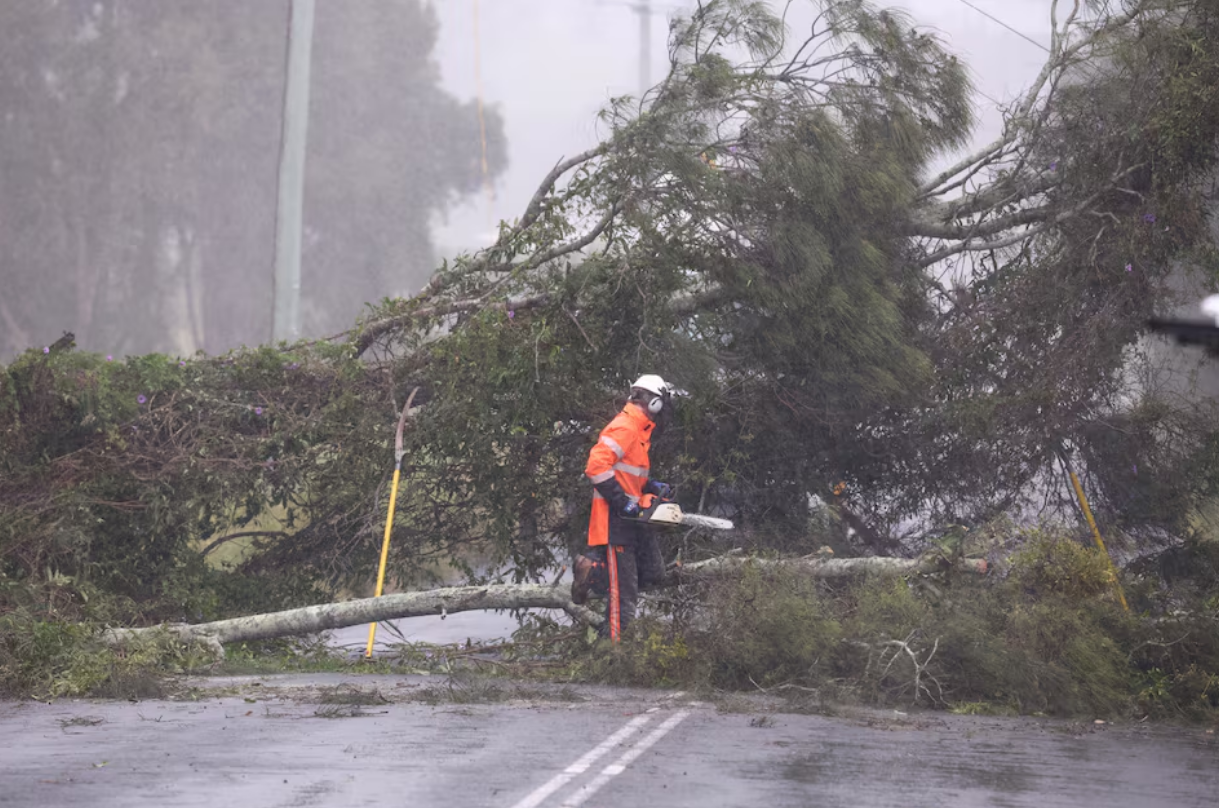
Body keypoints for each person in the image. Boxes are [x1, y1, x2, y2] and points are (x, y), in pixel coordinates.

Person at [571, 375, 675, 641]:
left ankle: (598, 577)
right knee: (624, 601)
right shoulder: (626, 427)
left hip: (634, 520)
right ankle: (615, 657)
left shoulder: (640, 431)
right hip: (615, 521)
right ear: (653, 402)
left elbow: (626, 474)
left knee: (653, 572)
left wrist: (650, 486)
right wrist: (623, 503)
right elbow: (596, 467)